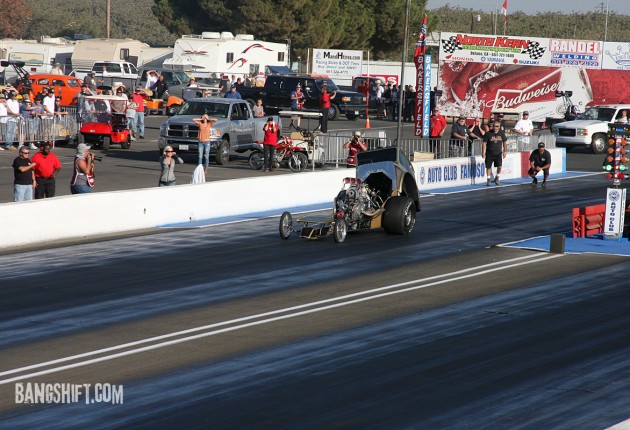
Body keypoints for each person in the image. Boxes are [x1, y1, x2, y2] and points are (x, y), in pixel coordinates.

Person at [482, 121, 508, 186]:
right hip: (489, 153)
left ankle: (497, 177)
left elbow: (504, 142)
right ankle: (488, 179)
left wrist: (505, 151)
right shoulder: (488, 133)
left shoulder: (501, 133)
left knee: (499, 166)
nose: (495, 128)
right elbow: (484, 143)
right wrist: (483, 152)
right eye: (494, 126)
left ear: (499, 127)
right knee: (488, 167)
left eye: (497, 126)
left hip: (498, 153)